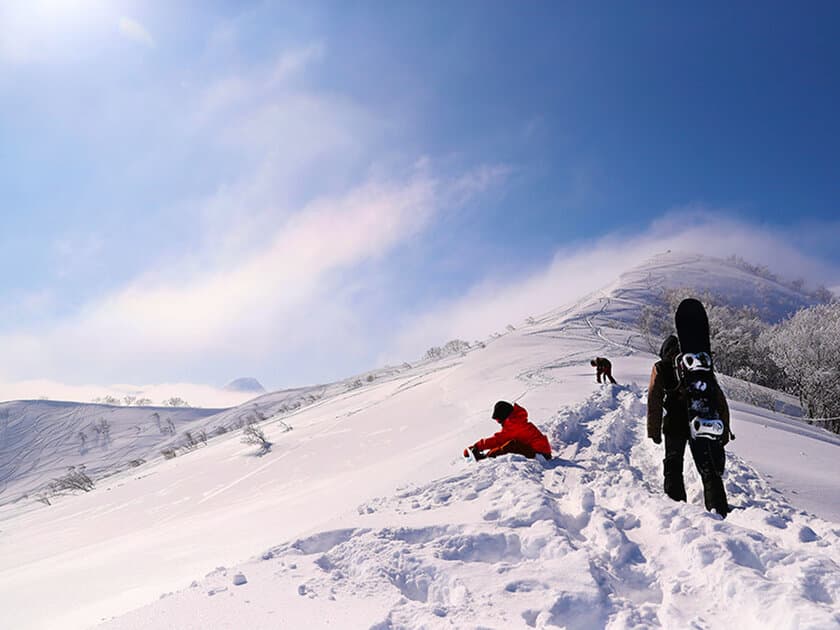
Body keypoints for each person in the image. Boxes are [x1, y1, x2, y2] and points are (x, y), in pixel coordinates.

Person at [647, 334, 731, 517]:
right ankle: (719, 509)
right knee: (708, 466)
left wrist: (653, 430)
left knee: (673, 463)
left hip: (674, 422)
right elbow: (718, 398)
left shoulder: (661, 367)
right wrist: (724, 430)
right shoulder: (698, 366)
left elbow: (654, 398)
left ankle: (676, 508)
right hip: (700, 420)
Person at [465, 401, 552, 460]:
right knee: (508, 444)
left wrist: (477, 446)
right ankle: (487, 455)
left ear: (505, 416)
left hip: (540, 454)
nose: (498, 423)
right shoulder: (517, 421)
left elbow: (497, 440)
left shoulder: (515, 424)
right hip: (539, 452)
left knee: (511, 444)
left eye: (499, 420)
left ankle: (486, 458)